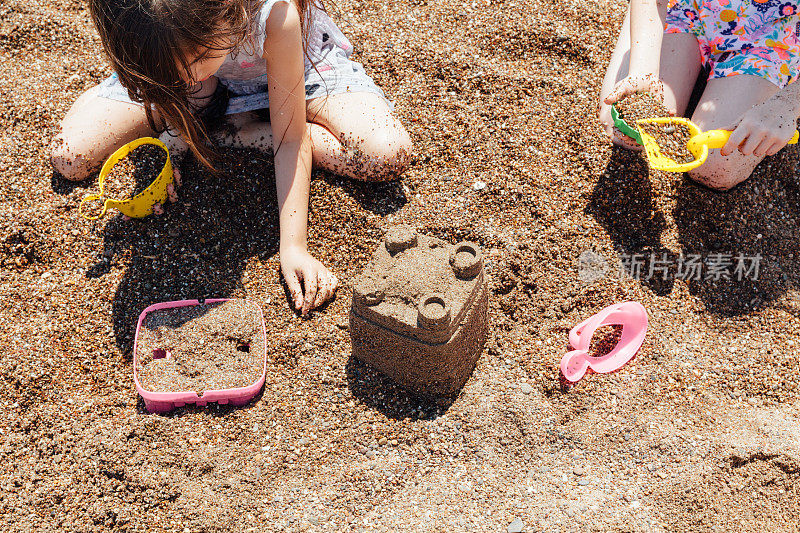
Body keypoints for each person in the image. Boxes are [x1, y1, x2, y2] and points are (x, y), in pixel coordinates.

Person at [50, 0, 412, 316]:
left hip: (288, 71)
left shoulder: (275, 14)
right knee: (71, 157)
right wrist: (175, 127)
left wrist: (293, 247)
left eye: (198, 56)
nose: (190, 75)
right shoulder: (161, 43)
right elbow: (175, 79)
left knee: (383, 155)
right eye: (179, 70)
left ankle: (231, 130)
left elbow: (289, 138)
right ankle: (207, 118)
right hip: (180, 69)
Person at [598, 0, 800, 190]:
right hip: (690, 8)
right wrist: (642, 69)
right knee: (623, 128)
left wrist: (786, 105)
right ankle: (643, 25)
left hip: (774, 34)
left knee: (716, 166)